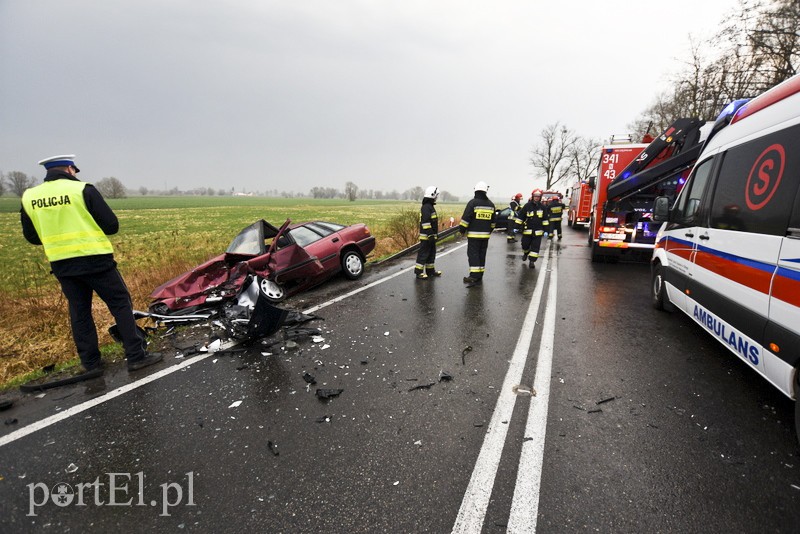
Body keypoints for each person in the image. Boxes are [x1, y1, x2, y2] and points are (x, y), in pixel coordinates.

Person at [20, 155, 162, 373]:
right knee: (120, 304)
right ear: (69, 169)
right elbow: (111, 225)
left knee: (79, 312)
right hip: (96, 260)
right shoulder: (83, 190)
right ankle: (136, 356)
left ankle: (91, 364)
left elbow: (31, 236)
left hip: (62, 264)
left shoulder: (30, 196)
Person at [459, 181, 496, 287]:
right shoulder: (491, 204)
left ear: (476, 190)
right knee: (481, 254)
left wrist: (462, 230)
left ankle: (474, 276)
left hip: (474, 236)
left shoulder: (472, 203)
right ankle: (479, 275)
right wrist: (488, 231)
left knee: (473, 254)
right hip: (485, 236)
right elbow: (493, 222)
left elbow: (466, 218)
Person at [517, 189, 549, 268]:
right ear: (533, 196)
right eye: (535, 196)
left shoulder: (543, 207)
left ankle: (532, 261)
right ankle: (526, 253)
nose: (537, 198)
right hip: (527, 231)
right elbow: (521, 217)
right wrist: (516, 227)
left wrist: (547, 230)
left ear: (540, 197)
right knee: (525, 245)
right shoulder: (527, 206)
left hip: (538, 232)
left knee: (535, 248)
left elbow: (545, 220)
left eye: (538, 196)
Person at [414, 186, 442, 279]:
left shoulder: (430, 207)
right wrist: (430, 235)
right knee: (423, 254)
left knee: (431, 254)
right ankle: (418, 272)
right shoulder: (426, 207)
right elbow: (426, 223)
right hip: (426, 237)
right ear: (432, 195)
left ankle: (430, 271)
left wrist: (433, 235)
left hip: (430, 236)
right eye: (436, 195)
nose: (437, 197)